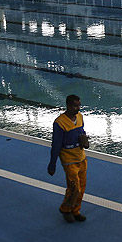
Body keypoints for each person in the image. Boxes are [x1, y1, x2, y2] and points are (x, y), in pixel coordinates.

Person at [47, 94, 90, 223]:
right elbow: (56, 144)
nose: (78, 108)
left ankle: (76, 210)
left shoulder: (80, 117)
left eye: (79, 105)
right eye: (75, 106)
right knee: (74, 188)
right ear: (68, 106)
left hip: (81, 158)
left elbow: (82, 131)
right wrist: (52, 163)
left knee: (82, 187)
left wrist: (84, 138)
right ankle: (65, 209)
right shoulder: (59, 123)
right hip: (69, 161)